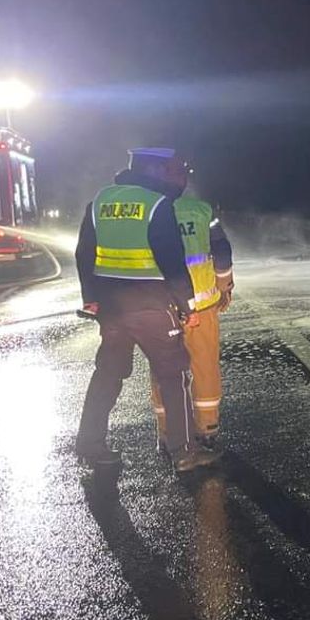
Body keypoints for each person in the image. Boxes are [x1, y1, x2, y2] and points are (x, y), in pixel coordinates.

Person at [75, 147, 213, 473]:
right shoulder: (157, 205)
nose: (178, 177)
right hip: (151, 305)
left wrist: (90, 298)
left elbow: (84, 254)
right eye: (174, 170)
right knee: (172, 373)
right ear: (154, 170)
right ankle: (183, 452)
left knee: (108, 373)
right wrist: (188, 306)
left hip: (110, 308)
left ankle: (90, 444)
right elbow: (172, 263)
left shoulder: (100, 202)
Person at [149, 164, 235, 455]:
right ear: (183, 181)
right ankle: (207, 428)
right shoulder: (201, 210)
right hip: (202, 304)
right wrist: (225, 284)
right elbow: (222, 250)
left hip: (161, 307)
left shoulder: (149, 209)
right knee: (204, 366)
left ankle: (165, 431)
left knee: (163, 369)